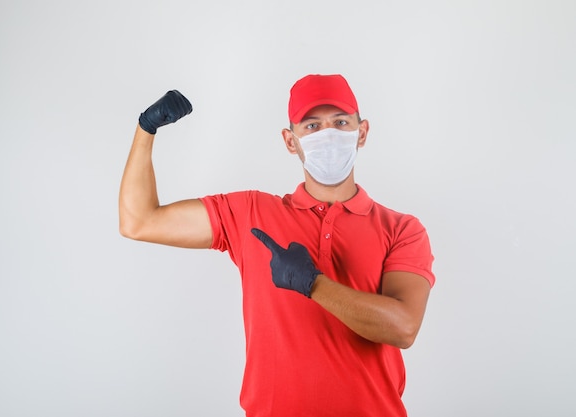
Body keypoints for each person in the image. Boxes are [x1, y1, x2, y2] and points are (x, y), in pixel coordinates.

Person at [119, 74, 435, 417]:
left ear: (362, 133)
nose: (328, 135)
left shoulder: (402, 229)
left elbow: (403, 327)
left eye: (340, 123)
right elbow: (139, 221)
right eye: (312, 126)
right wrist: (145, 129)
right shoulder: (250, 214)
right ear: (290, 141)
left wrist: (314, 285)